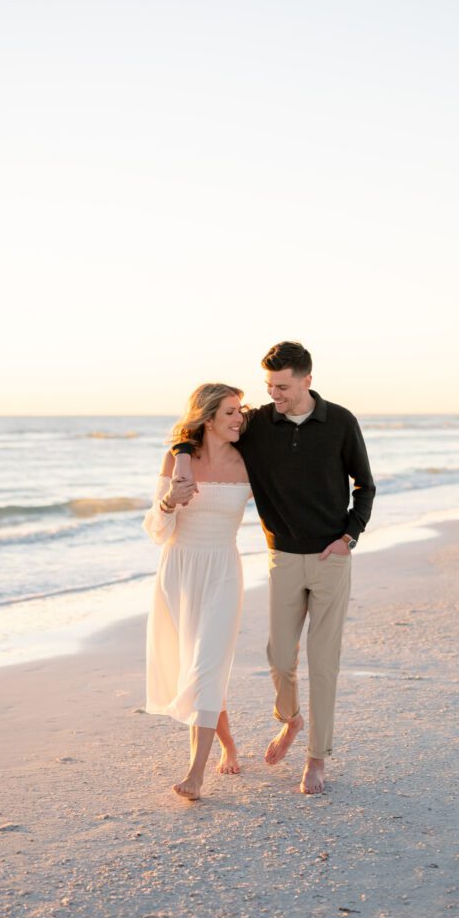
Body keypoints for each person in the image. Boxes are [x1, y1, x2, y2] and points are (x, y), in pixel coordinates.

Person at [173, 342, 375, 794]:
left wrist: (348, 537)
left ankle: (316, 760)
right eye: (269, 386)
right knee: (280, 658)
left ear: (306, 379)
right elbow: (203, 427)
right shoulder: (260, 423)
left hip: (331, 559)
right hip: (282, 556)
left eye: (281, 386)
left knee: (323, 665)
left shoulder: (340, 421)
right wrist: (181, 453)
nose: (273, 394)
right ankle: (290, 719)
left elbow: (365, 485)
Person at [143, 382, 250, 800]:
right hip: (180, 570)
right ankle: (227, 742)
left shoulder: (249, 461)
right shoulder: (177, 458)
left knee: (207, 664)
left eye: (240, 410)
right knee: (198, 665)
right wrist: (169, 502)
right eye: (229, 412)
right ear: (207, 419)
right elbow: (156, 530)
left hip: (223, 568)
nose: (239, 418)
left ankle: (195, 774)